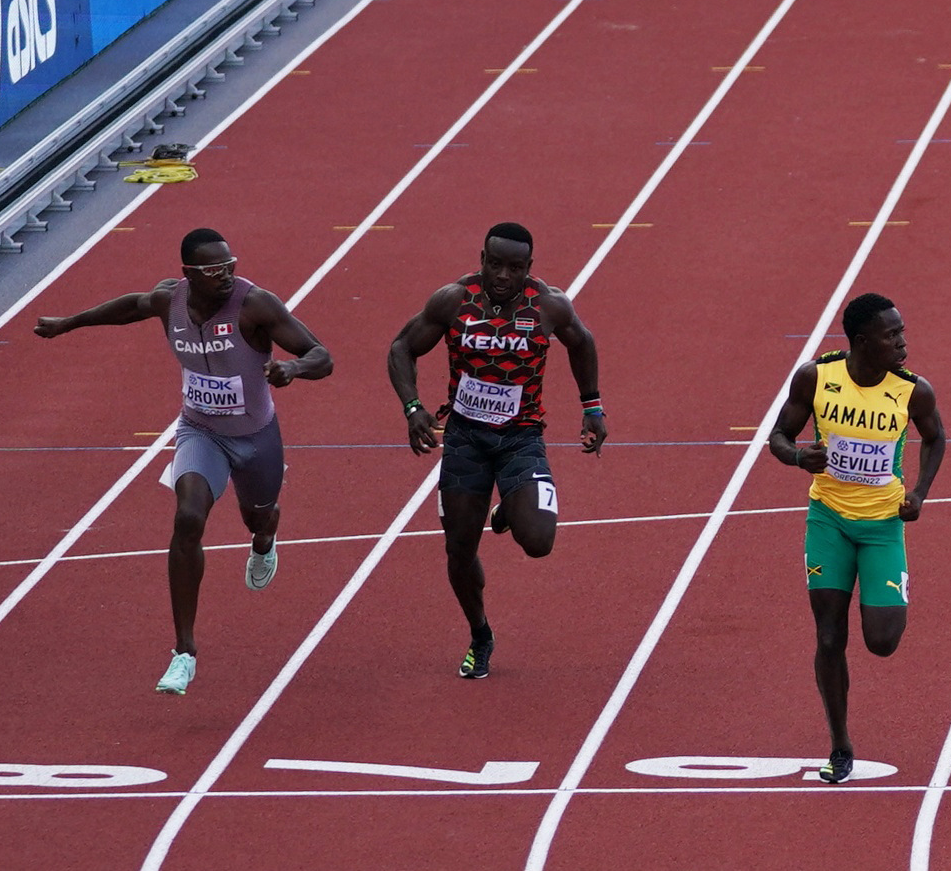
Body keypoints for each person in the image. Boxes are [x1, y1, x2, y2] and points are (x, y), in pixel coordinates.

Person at [35, 228, 333, 694]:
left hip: (256, 436)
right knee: (188, 517)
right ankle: (184, 652)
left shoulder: (255, 304)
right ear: (189, 273)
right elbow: (128, 307)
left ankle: (265, 537)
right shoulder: (168, 301)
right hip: (200, 431)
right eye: (215, 269)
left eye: (231, 265)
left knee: (258, 516)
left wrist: (293, 368)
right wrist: (68, 323)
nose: (227, 275)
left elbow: (322, 355)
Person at [387, 222, 606, 680]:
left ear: (529, 267)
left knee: (539, 542)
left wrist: (593, 406)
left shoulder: (548, 305)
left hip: (521, 436)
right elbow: (403, 346)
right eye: (495, 263)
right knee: (459, 549)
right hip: (465, 440)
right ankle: (480, 634)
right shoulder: (453, 300)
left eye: (516, 267)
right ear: (482, 258)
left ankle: (510, 505)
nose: (504, 274)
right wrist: (413, 408)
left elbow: (582, 342)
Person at [767, 292, 946, 784]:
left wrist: (920, 493)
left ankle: (891, 589)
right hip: (828, 520)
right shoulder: (816, 377)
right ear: (863, 342)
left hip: (883, 524)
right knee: (829, 635)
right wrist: (797, 457)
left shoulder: (913, 391)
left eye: (902, 332)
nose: (903, 343)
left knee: (882, 641)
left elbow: (936, 437)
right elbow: (778, 435)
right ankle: (840, 745)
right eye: (893, 336)